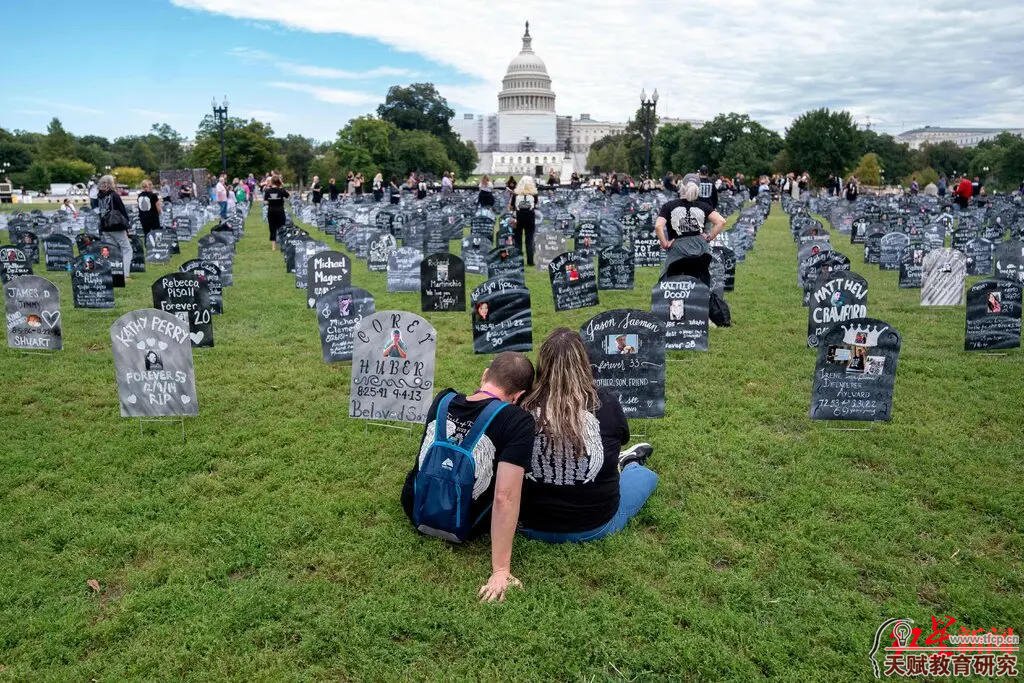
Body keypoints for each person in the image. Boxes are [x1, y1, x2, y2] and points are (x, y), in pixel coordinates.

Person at [400, 352, 537, 602]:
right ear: (519, 397)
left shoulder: (443, 399)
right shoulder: (517, 421)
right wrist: (500, 571)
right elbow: (505, 497)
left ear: (485, 375)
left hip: (415, 507)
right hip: (467, 522)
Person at [517, 328, 657, 543]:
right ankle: (630, 463)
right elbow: (621, 439)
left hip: (528, 525)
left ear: (542, 364)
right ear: (584, 362)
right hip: (595, 526)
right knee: (644, 476)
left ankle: (624, 462)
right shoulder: (606, 402)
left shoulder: (522, 406)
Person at [655, 175, 727, 286]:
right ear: (698, 188)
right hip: (700, 251)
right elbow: (721, 221)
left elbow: (658, 226)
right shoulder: (704, 206)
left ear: (681, 187)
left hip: (677, 252)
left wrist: (665, 243)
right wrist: (709, 237)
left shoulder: (669, 206)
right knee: (703, 282)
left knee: (669, 283)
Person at [96, 174, 133, 280]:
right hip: (116, 225)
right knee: (127, 249)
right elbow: (122, 211)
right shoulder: (114, 195)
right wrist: (127, 226)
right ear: (111, 183)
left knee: (110, 250)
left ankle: (110, 273)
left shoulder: (99, 196)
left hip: (105, 226)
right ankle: (125, 274)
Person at [512, 175, 538, 266]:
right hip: (530, 218)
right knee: (529, 239)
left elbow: (512, 206)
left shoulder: (515, 194)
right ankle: (530, 261)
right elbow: (536, 204)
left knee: (518, 240)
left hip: (518, 217)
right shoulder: (534, 194)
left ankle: (518, 261)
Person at [263, 176, 289, 249]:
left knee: (272, 228)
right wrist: (282, 186)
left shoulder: (267, 191)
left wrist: (271, 201)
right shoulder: (281, 190)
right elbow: (288, 196)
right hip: (280, 210)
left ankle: (273, 247)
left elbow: (265, 202)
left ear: (271, 182)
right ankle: (282, 245)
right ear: (279, 182)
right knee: (282, 227)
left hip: (271, 211)